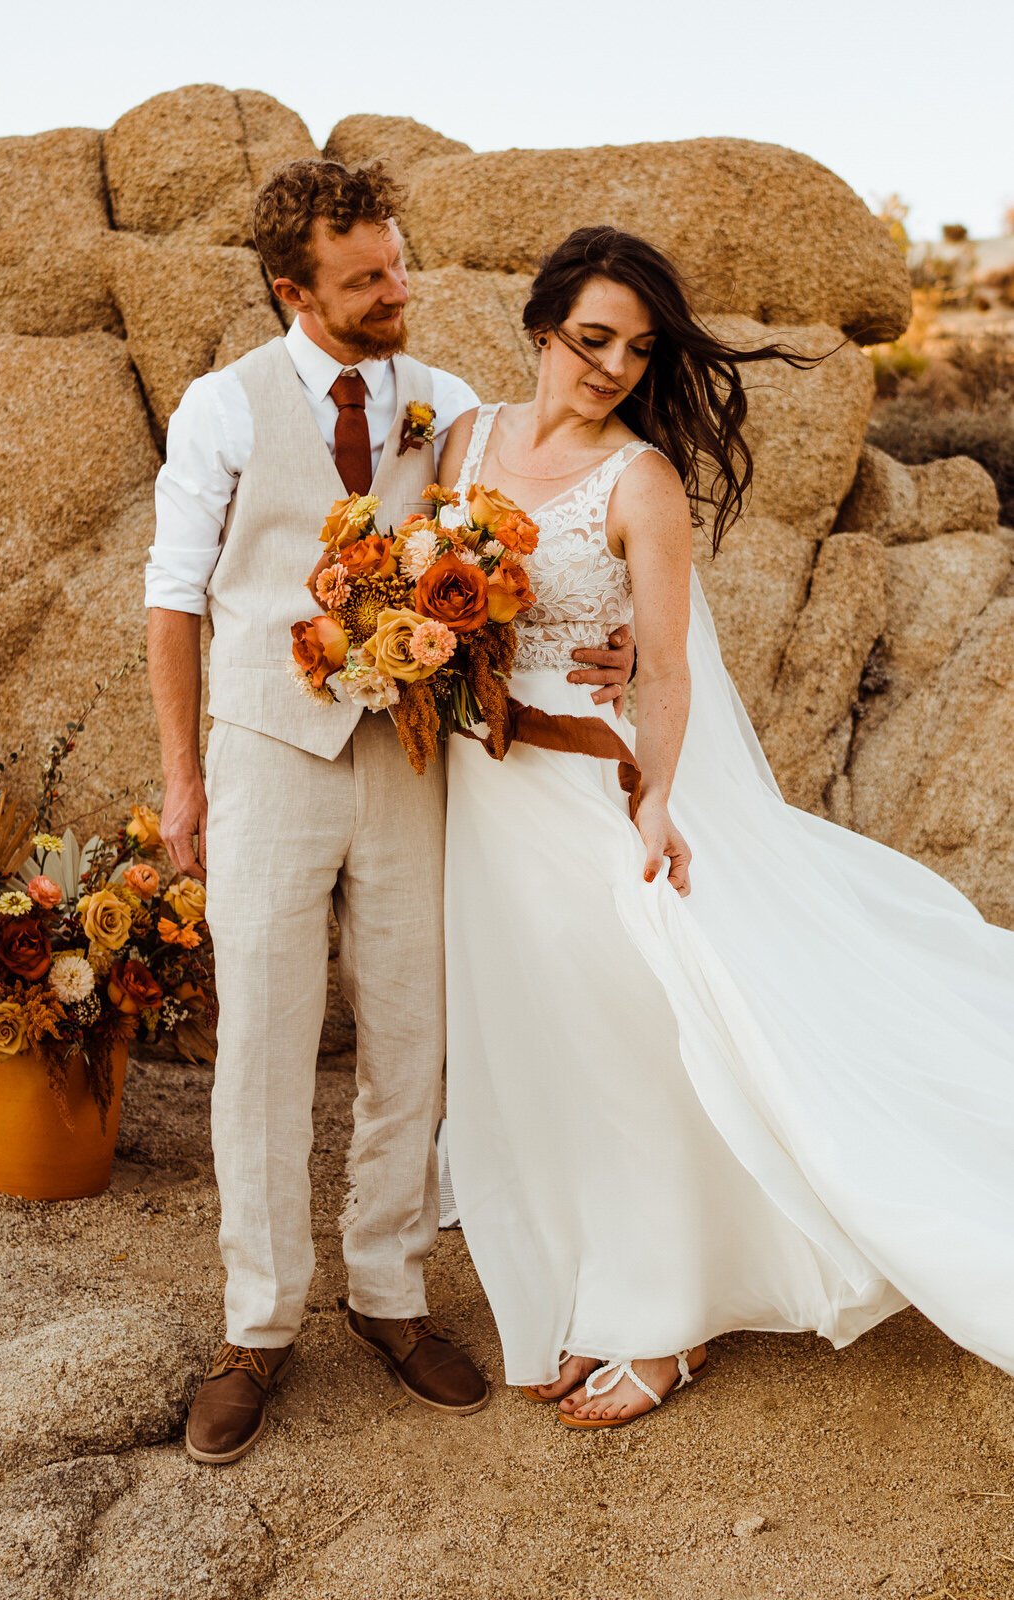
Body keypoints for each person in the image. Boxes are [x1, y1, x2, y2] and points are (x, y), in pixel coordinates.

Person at [439, 224, 1014, 1429]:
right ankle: (572, 1283)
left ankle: (670, 1317)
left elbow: (664, 668)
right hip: (478, 790)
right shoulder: (461, 439)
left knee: (633, 1038)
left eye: (635, 351)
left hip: (590, 792)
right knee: (529, 1033)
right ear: (541, 322)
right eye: (591, 338)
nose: (608, 367)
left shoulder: (638, 480)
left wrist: (654, 799)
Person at [144, 164, 635, 1463]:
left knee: (410, 1033)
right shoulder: (220, 409)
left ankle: (388, 1292)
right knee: (261, 1035)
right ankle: (254, 1327)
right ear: (291, 288)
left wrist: (618, 651)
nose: (395, 291)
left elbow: (524, 540)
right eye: (365, 278)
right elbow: (174, 596)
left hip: (411, 759)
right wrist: (182, 781)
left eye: (397, 264)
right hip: (264, 755)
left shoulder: (446, 406)